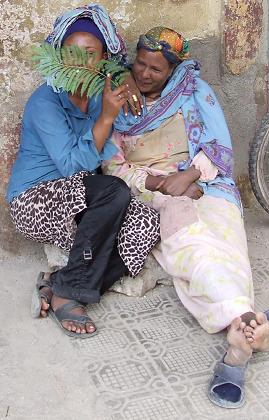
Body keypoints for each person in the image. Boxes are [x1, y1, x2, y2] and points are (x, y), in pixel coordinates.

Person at [103, 26, 269, 408]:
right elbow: (110, 163)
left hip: (208, 185)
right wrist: (159, 182)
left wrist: (191, 175)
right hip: (158, 193)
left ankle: (241, 331)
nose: (145, 75)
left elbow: (218, 147)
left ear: (173, 70)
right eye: (141, 64)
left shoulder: (194, 92)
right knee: (193, 249)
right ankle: (248, 327)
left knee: (229, 242)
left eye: (156, 69)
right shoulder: (119, 98)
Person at [6, 5, 160, 339]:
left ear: (103, 58)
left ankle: (60, 286)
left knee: (146, 225)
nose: (80, 62)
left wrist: (123, 87)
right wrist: (105, 117)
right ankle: (70, 292)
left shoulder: (96, 96)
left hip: (83, 198)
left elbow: (100, 158)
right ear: (59, 56)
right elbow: (71, 166)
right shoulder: (44, 102)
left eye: (90, 54)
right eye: (70, 53)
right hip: (35, 202)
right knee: (113, 191)